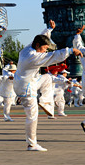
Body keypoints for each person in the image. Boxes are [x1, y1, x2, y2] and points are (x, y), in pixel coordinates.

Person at [13, 21, 78, 151]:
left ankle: (46, 102)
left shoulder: (27, 49)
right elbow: (53, 56)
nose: (45, 51)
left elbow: (40, 37)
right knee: (32, 115)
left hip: (25, 82)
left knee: (48, 77)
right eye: (44, 49)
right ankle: (32, 144)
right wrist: (70, 50)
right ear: (37, 46)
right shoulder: (33, 57)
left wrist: (49, 29)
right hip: (26, 87)